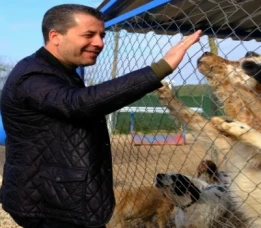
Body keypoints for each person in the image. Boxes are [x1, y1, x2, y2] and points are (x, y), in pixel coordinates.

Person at [0, 4, 202, 228]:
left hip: (56, 196)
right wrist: (159, 69)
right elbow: (78, 103)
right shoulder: (33, 74)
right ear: (55, 36)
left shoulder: (59, 71)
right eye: (89, 35)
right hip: (47, 206)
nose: (99, 43)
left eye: (101, 35)